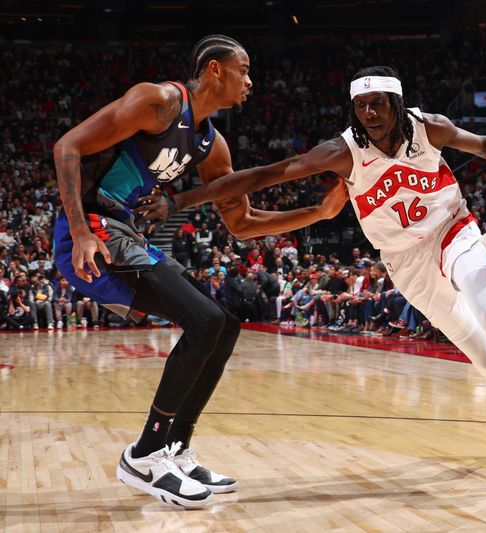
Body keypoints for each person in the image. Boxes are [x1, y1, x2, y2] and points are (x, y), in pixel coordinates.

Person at [141, 65, 486, 494]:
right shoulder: (343, 151)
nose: (369, 113)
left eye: (378, 104)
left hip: (453, 229)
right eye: (361, 105)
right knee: (483, 360)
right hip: (406, 261)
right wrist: (181, 199)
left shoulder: (429, 128)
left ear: (396, 103)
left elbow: (483, 143)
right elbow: (265, 174)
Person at [52, 34, 346, 508]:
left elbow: (242, 222)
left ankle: (175, 447)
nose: (250, 81)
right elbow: (67, 147)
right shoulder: (159, 101)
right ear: (214, 69)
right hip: (90, 231)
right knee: (204, 321)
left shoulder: (211, 144)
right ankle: (144, 454)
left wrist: (318, 214)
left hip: (124, 233)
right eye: (243, 70)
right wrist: (79, 231)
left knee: (224, 324)